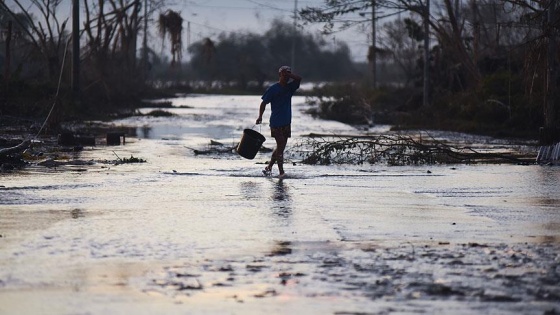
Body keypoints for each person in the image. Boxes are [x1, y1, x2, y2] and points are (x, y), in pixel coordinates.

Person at [256, 66, 302, 178]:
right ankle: (281, 172)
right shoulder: (273, 89)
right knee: (280, 144)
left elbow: (299, 79)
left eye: (287, 75)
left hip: (287, 122)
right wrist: (260, 116)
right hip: (276, 122)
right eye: (284, 75)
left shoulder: (290, 88)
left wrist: (289, 74)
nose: (286, 77)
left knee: (281, 147)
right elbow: (263, 103)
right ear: (279, 75)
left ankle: (269, 167)